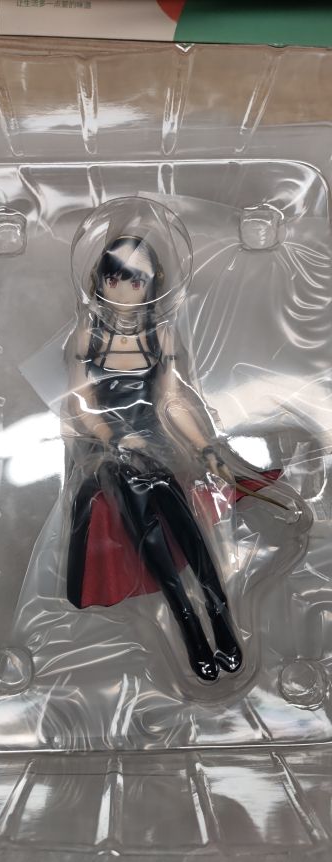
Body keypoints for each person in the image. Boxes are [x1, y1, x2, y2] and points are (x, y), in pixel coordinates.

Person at [62, 234, 283, 682]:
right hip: (108, 449)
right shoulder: (89, 336)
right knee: (138, 490)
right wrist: (117, 439)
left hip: (156, 444)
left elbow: (173, 400)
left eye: (135, 281)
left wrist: (205, 446)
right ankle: (187, 622)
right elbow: (80, 405)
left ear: (152, 284)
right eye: (114, 278)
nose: (124, 290)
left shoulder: (159, 335)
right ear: (99, 281)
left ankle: (218, 614)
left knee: (176, 507)